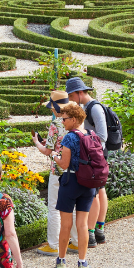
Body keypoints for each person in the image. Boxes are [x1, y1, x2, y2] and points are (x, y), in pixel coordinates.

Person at [31, 90, 80, 256]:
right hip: (73, 169)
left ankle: (53, 244)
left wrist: (37, 143)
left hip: (58, 169)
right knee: (73, 206)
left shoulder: (56, 124)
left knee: (54, 207)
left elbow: (48, 151)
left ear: (55, 107)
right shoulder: (75, 121)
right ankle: (76, 242)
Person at [52, 103, 94, 268]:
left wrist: (54, 156)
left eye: (64, 119)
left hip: (71, 182)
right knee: (83, 225)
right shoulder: (91, 134)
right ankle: (82, 262)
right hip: (88, 183)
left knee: (66, 225)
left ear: (74, 119)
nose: (62, 122)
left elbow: (64, 163)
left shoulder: (69, 137)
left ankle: (61, 260)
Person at [66, 77, 109, 246]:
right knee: (99, 190)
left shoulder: (95, 108)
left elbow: (103, 136)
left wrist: (89, 149)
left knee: (95, 192)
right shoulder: (86, 107)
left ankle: (91, 232)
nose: (70, 99)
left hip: (96, 155)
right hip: (95, 154)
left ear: (79, 93)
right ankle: (99, 230)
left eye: (71, 95)